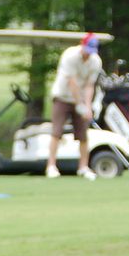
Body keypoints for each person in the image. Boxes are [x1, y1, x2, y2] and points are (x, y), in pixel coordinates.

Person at [46, 32, 103, 180]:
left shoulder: (95, 61)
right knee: (56, 132)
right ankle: (51, 166)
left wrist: (88, 107)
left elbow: (90, 85)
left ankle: (83, 167)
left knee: (83, 135)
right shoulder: (70, 55)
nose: (88, 54)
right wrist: (79, 105)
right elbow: (72, 82)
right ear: (82, 44)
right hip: (63, 97)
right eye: (87, 50)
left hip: (82, 100)